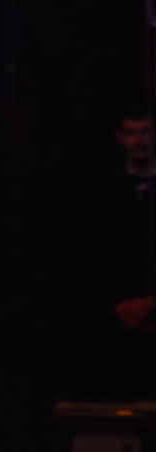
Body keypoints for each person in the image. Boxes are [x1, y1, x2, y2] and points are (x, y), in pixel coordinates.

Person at [79, 114, 156, 397]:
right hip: (119, 323)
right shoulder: (102, 192)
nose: (140, 140)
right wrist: (119, 307)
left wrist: (150, 303)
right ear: (120, 138)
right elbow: (93, 255)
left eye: (146, 131)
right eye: (131, 132)